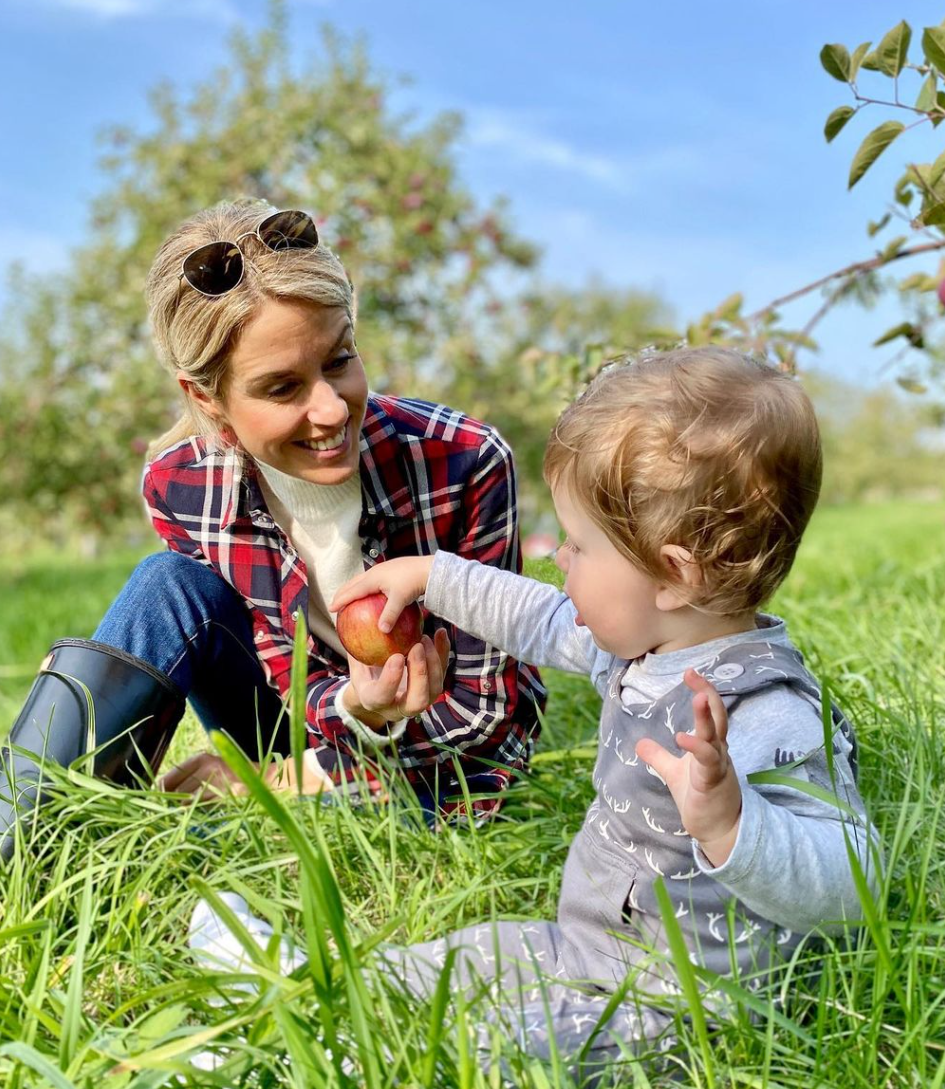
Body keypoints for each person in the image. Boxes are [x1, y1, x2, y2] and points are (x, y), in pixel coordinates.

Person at [191, 346, 879, 1077]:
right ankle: (315, 983)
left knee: (503, 1049)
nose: (560, 561)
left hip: (684, 1006)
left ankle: (333, 1059)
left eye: (579, 546)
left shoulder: (762, 708)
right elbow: (541, 617)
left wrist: (735, 826)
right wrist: (434, 576)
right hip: (587, 948)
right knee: (471, 958)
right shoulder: (643, 644)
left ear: (672, 576)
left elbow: (853, 882)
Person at [0, 201, 546, 858]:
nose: (329, 407)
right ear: (206, 398)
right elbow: (275, 668)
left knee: (203, 846)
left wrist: (292, 776)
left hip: (437, 767)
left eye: (339, 360)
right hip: (307, 728)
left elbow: (487, 710)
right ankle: (25, 842)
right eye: (282, 388)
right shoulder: (181, 487)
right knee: (164, 582)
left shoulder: (462, 461)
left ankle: (126, 835)